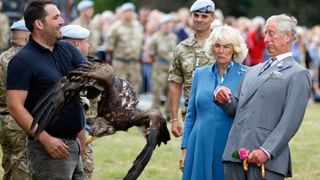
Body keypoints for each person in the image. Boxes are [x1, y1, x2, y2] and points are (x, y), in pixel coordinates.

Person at [215, 14, 312, 180]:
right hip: (235, 156)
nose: (266, 38)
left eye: (271, 33)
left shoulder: (298, 74)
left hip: (266, 162)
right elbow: (236, 109)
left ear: (287, 36)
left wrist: (266, 150)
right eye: (265, 33)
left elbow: (290, 121)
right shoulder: (252, 70)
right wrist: (223, 98)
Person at [6, 1, 86, 179]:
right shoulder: (22, 61)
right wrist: (45, 139)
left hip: (73, 144)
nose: (62, 21)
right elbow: (15, 107)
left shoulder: (67, 49)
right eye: (56, 17)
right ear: (39, 24)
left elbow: (90, 79)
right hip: (49, 149)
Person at [180, 25, 248, 180]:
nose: (221, 50)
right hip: (199, 142)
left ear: (235, 49)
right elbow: (191, 114)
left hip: (229, 141)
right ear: (211, 48)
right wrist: (184, 149)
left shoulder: (247, 74)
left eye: (226, 46)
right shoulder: (200, 74)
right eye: (217, 46)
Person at [168, 0, 216, 137]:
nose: (199, 19)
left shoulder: (221, 44)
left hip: (217, 110)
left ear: (212, 18)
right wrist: (174, 119)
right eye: (196, 15)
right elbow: (175, 83)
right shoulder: (182, 48)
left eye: (204, 16)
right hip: (191, 110)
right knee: (189, 154)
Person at [61, 24, 95, 180]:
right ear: (76, 44)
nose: (88, 45)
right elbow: (79, 110)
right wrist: (82, 144)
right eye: (85, 41)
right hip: (74, 137)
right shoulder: (76, 69)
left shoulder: (62, 62)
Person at [0, 20, 31, 180]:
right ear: (28, 36)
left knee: (9, 164)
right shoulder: (24, 59)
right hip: (19, 120)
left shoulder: (2, 57)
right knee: (22, 167)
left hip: (3, 120)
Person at [106, 2, 144, 92]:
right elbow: (110, 48)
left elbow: (141, 43)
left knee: (135, 87)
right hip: (121, 63)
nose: (130, 14)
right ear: (123, 13)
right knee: (120, 87)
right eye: (128, 11)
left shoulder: (138, 26)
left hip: (134, 64)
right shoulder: (115, 27)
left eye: (132, 11)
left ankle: (133, 106)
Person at [149, 14, 177, 114]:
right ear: (161, 25)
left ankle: (168, 113)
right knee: (157, 91)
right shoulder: (155, 38)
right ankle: (154, 113)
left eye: (169, 24)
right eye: (165, 24)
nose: (167, 26)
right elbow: (151, 53)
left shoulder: (173, 37)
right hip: (159, 66)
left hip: (170, 67)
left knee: (171, 90)